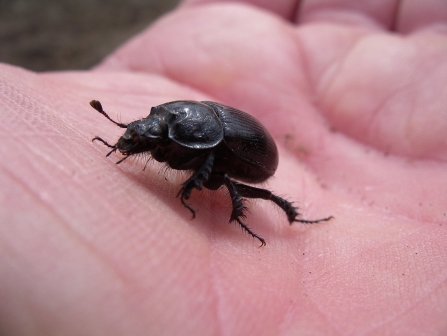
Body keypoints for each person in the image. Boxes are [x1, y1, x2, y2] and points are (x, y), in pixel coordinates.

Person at [1, 0, 446, 334]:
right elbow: (162, 136)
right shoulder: (178, 127)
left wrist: (193, 186)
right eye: (145, 133)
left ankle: (292, 218)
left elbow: (212, 162)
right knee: (210, 170)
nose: (141, 139)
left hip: (253, 157)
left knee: (244, 187)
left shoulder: (208, 143)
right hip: (209, 137)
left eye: (149, 134)